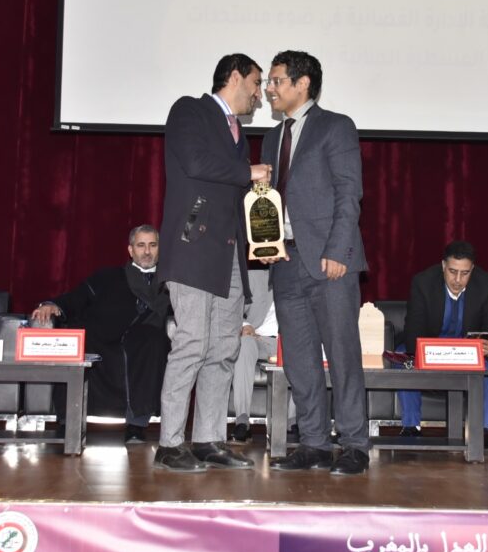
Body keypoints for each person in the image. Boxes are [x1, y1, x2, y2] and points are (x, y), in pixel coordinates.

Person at [154, 53, 272, 472]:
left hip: (230, 255)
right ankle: (169, 444)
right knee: (192, 344)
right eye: (256, 83)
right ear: (235, 76)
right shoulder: (190, 110)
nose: (259, 95)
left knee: (224, 349)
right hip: (193, 250)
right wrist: (249, 172)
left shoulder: (239, 133)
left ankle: (208, 439)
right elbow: (195, 162)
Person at [260, 50, 370, 476]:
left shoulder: (335, 126)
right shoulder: (272, 137)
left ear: (302, 84)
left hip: (329, 262)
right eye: (268, 82)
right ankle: (314, 443)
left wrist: (339, 251)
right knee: (299, 360)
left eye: (276, 81)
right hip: (285, 259)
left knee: (342, 354)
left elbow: (348, 192)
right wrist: (266, 242)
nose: (269, 89)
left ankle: (355, 444)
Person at [31, 225, 170, 444]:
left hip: (143, 342)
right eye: (141, 245)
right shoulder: (107, 276)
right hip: (100, 337)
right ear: (130, 250)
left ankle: (136, 426)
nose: (146, 251)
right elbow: (76, 298)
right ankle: (69, 422)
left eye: (152, 245)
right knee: (76, 340)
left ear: (160, 249)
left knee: (153, 342)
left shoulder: (170, 284)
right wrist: (53, 305)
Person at [399, 240, 488, 449]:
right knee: (402, 356)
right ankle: (411, 425)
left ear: (472, 269)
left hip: (467, 350)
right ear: (443, 265)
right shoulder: (423, 282)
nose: (458, 280)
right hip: (431, 348)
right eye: (452, 271)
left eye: (464, 273)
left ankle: (482, 429)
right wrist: (425, 352)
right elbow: (413, 328)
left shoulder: (486, 283)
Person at [230, 267, 296, 444]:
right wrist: (245, 324)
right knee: (244, 344)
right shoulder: (254, 276)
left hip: (289, 341)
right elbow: (232, 307)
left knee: (303, 351)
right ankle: (242, 421)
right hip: (258, 337)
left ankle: (292, 423)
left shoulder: (301, 278)